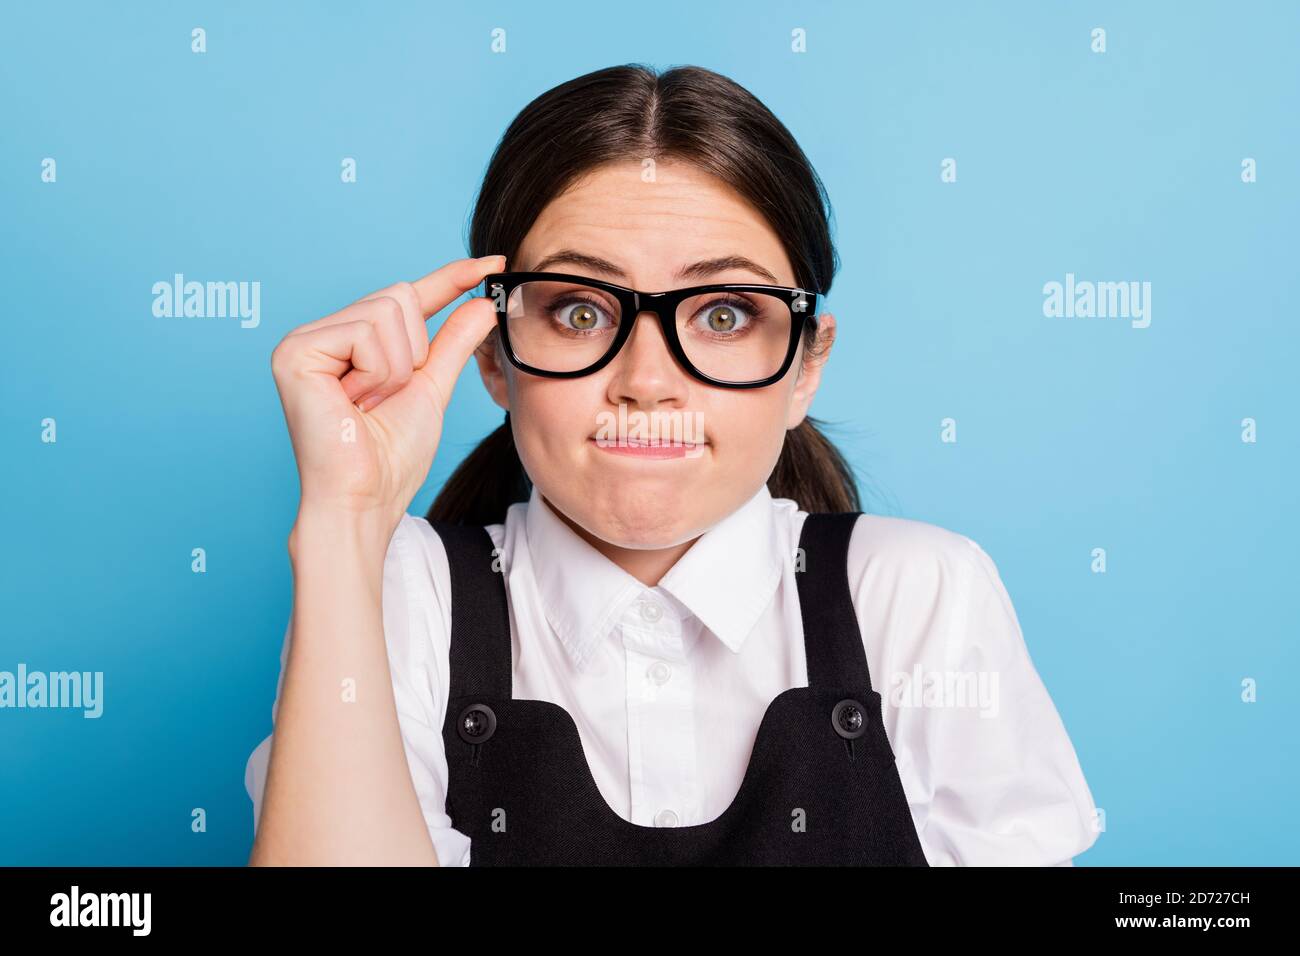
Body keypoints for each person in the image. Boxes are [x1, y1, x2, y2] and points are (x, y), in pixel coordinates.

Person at [245, 63, 1100, 866]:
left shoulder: (917, 595)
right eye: (580, 312)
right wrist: (344, 523)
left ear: (806, 366)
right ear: (496, 359)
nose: (648, 383)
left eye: (724, 315)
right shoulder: (398, 591)